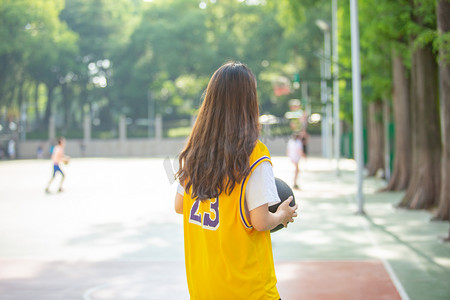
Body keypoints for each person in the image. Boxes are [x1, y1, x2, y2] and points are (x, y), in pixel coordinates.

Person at [174, 61, 298, 300]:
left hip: (204, 289)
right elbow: (261, 222)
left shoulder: (194, 152)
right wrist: (283, 215)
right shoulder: (254, 154)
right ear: (249, 102)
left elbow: (180, 206)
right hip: (248, 290)